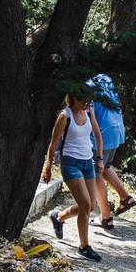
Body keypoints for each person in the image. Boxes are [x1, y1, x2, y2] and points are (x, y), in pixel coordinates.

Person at [43, 85, 108, 261]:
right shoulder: (65, 116)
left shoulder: (89, 112)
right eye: (83, 101)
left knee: (90, 206)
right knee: (86, 205)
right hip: (70, 163)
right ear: (74, 98)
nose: (86, 105)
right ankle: (84, 247)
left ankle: (59, 217)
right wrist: (48, 167)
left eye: (89, 102)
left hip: (88, 162)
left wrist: (100, 158)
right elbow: (53, 143)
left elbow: (97, 134)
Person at [87, 72, 136, 227]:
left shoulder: (88, 84)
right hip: (116, 131)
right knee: (105, 166)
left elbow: (88, 111)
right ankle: (125, 197)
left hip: (101, 133)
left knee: (96, 175)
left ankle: (106, 217)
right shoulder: (106, 79)